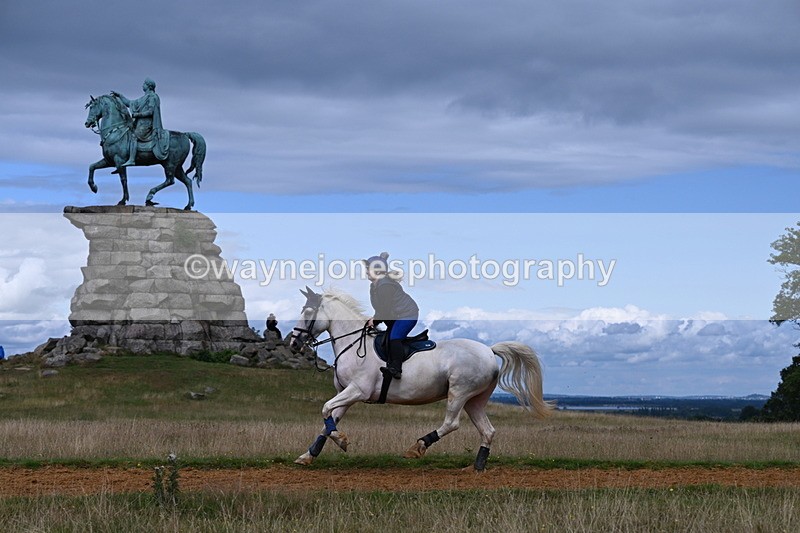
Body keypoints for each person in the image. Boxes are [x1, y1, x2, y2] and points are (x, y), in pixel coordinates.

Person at [365, 252, 419, 379]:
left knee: (395, 337)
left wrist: (375, 320)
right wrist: (374, 318)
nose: (366, 272)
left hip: (407, 315)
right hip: (397, 316)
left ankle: (396, 369)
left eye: (368, 269)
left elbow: (385, 309)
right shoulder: (374, 286)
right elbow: (380, 308)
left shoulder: (385, 286)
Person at [111, 77, 169, 165]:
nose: (142, 86)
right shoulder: (144, 98)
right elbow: (129, 103)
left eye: (144, 84)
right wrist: (120, 96)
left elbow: (151, 111)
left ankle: (132, 159)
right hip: (139, 124)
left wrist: (138, 114)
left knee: (133, 136)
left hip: (147, 125)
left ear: (148, 86)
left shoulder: (152, 97)